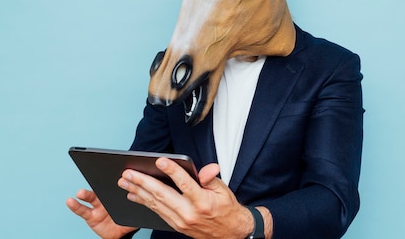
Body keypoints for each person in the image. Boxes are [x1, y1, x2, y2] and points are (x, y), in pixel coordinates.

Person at [67, 24, 364, 239]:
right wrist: (127, 215)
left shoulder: (331, 67)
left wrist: (248, 223)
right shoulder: (174, 64)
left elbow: (333, 201)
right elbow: (147, 168)